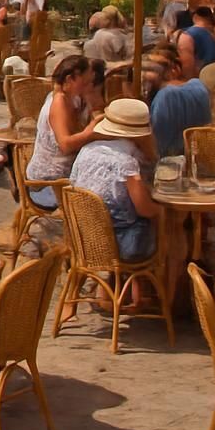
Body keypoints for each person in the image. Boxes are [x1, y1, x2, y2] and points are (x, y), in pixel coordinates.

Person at [69, 98, 172, 303]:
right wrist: (162, 211)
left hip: (86, 239)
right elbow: (144, 208)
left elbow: (73, 185)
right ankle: (153, 293)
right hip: (121, 245)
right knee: (163, 223)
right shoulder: (126, 162)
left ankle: (121, 289)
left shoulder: (86, 151)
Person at [26, 55, 102, 208]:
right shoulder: (58, 101)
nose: (88, 85)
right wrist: (91, 132)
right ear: (70, 79)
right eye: (85, 82)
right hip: (48, 184)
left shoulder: (73, 97)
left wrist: (90, 95)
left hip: (63, 177)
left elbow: (99, 107)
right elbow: (65, 145)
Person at [147, 51, 211, 157]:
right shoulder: (198, 85)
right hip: (202, 153)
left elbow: (158, 144)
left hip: (173, 158)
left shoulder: (165, 98)